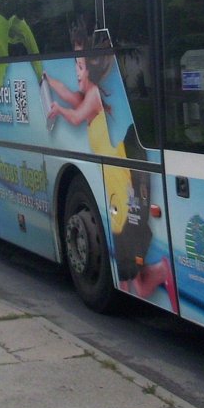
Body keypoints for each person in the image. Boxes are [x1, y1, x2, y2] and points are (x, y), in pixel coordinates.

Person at [43, 17, 178, 312]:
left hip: (119, 177)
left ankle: (159, 272)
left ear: (90, 65)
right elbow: (70, 96)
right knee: (131, 279)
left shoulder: (92, 97)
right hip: (115, 173)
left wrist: (58, 110)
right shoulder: (87, 93)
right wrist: (50, 83)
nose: (76, 70)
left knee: (129, 273)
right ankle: (160, 272)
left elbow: (77, 116)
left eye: (79, 64)